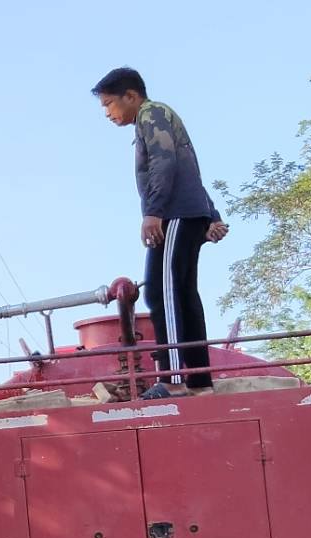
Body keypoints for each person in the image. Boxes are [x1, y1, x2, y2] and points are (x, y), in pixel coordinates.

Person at [92, 67, 229, 399]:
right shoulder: (160, 116)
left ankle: (174, 379)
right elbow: (189, 166)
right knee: (183, 293)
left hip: (174, 214)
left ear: (131, 96)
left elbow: (165, 162)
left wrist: (153, 213)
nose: (107, 113)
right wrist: (211, 215)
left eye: (109, 104)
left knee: (160, 290)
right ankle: (200, 382)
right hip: (187, 211)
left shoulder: (151, 114)